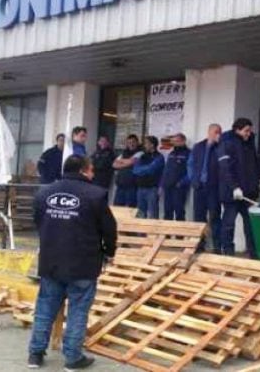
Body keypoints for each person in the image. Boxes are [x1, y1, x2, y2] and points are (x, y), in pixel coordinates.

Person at [28, 155, 117, 370]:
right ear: (84, 171)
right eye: (92, 169)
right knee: (78, 310)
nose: (94, 173)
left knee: (45, 307)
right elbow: (109, 229)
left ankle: (35, 355)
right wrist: (109, 252)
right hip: (83, 264)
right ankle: (73, 358)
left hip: (52, 261)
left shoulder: (44, 193)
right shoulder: (96, 195)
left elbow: (38, 221)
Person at [218, 118, 260, 257]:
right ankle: (228, 253)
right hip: (232, 194)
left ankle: (253, 254)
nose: (248, 133)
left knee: (250, 226)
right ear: (237, 130)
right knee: (228, 225)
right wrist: (234, 187)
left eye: (250, 131)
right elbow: (225, 168)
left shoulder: (249, 143)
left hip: (249, 193)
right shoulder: (227, 143)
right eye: (246, 131)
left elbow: (256, 163)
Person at [189, 124, 222, 251]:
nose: (218, 134)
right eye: (216, 131)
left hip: (213, 188)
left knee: (214, 217)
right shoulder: (198, 146)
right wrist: (193, 179)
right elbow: (190, 164)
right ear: (209, 132)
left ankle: (217, 246)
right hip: (199, 187)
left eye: (220, 132)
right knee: (198, 218)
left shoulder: (221, 147)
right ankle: (200, 245)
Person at [133, 136, 165, 219]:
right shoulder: (142, 156)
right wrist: (145, 168)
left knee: (153, 213)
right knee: (140, 213)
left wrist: (143, 169)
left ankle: (153, 232)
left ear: (152, 145)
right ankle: (140, 232)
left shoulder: (159, 157)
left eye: (146, 143)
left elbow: (151, 169)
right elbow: (135, 170)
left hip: (152, 189)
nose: (144, 145)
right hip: (140, 188)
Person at [162, 133, 191, 221]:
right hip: (168, 187)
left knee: (179, 212)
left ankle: (180, 235)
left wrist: (181, 183)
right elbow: (166, 170)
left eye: (177, 141)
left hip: (179, 188)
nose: (175, 143)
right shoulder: (171, 153)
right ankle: (167, 234)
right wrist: (162, 184)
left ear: (183, 141)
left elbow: (191, 172)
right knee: (167, 212)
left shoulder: (188, 153)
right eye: (173, 141)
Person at [112, 135, 143, 207]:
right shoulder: (124, 153)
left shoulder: (140, 153)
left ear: (137, 142)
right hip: (121, 185)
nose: (131, 144)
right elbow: (114, 164)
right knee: (117, 208)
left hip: (132, 186)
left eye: (133, 142)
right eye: (129, 142)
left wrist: (121, 162)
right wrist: (126, 163)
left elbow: (131, 162)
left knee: (131, 209)